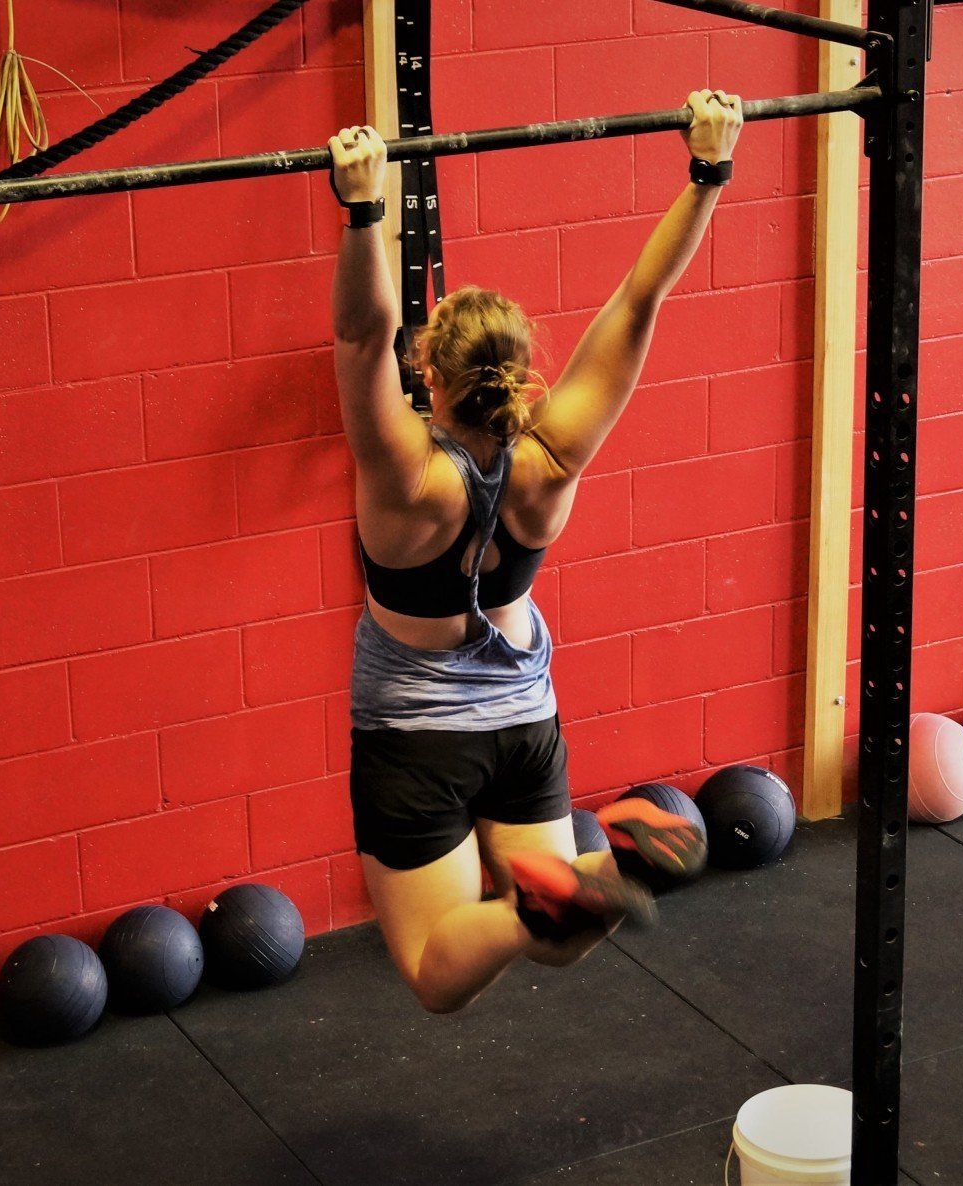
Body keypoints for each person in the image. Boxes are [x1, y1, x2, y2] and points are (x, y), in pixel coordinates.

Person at [326, 90, 743, 1014]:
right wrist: (709, 170)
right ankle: (591, 868)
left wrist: (365, 208)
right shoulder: (552, 458)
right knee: (556, 941)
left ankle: (544, 896)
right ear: (518, 370)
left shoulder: (405, 479)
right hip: (523, 719)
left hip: (416, 733)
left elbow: (360, 335)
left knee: (440, 972)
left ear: (427, 369)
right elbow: (643, 297)